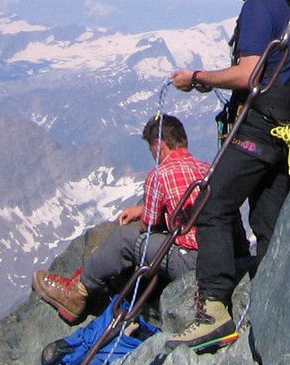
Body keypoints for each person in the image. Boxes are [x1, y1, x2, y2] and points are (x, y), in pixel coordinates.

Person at [164, 0, 290, 349]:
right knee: (268, 220)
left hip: (258, 127)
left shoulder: (261, 6)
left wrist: (199, 78)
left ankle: (214, 311)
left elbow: (248, 74)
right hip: (287, 129)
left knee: (210, 204)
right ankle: (278, 301)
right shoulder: (286, 0)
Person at [32, 115, 210, 324]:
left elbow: (150, 222)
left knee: (126, 237)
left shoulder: (160, 174)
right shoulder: (206, 169)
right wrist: (143, 208)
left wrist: (143, 212)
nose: (154, 156)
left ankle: (76, 293)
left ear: (159, 145)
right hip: (214, 255)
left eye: (153, 150)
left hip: (188, 260)